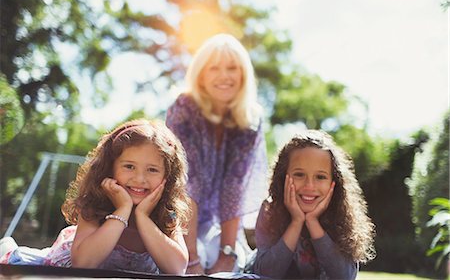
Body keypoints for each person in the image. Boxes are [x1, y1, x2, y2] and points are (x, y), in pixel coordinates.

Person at [1, 119, 191, 275]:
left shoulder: (166, 215)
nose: (140, 179)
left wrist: (143, 217)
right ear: (110, 167)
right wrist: (123, 211)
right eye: (129, 166)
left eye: (152, 170)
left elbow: (176, 269)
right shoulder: (96, 206)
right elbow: (83, 264)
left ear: (168, 176)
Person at [166, 33, 268, 274]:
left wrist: (227, 253)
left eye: (232, 68)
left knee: (234, 264)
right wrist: (190, 259)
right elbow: (188, 184)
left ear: (243, 74)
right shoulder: (184, 108)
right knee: (184, 263)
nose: (224, 76)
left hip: (214, 224)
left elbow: (235, 188)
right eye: (214, 68)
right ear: (201, 74)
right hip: (176, 217)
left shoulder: (250, 120)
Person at [252, 130, 376, 279]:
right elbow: (265, 274)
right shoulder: (270, 210)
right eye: (299, 174)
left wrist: (312, 221)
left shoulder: (341, 215)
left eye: (320, 177)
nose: (309, 186)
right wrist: (296, 222)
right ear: (283, 177)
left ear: (334, 182)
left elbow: (345, 277)